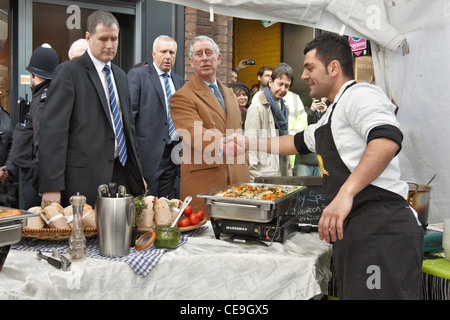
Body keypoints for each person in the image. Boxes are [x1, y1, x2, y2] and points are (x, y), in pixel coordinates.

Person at [232, 33, 423, 300]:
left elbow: (386, 139)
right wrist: (247, 142)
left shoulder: (361, 94)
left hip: (382, 230)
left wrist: (345, 194)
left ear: (333, 68)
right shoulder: (332, 113)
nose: (304, 75)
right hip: (357, 231)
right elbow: (296, 142)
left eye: (310, 67)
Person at [38, 11, 145, 207]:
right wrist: (51, 186)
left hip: (121, 174)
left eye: (114, 39)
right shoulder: (69, 72)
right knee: (84, 237)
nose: (110, 45)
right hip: (83, 180)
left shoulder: (120, 75)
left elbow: (127, 128)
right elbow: (53, 133)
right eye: (103, 39)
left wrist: (137, 174)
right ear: (88, 38)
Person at [169, 35, 249, 217]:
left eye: (209, 53)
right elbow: (192, 131)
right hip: (205, 182)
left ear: (218, 59)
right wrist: (221, 144)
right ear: (191, 62)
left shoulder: (230, 93)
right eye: (198, 54)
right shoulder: (182, 96)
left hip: (237, 180)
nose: (204, 58)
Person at [127, 35, 184, 199]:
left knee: (167, 206)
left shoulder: (179, 81)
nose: (168, 56)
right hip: (148, 158)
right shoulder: (138, 75)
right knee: (146, 208)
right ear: (153, 54)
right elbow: (129, 119)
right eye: (163, 52)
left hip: (173, 155)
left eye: (172, 53)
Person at [10, 43, 58, 209]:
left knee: (33, 227)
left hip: (35, 176)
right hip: (35, 173)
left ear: (32, 74)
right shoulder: (48, 96)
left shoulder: (42, 101)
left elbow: (43, 141)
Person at [244, 63, 294, 181]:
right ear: (270, 82)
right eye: (280, 84)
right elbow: (250, 144)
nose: (283, 89)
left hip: (282, 171)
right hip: (264, 174)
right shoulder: (257, 107)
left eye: (286, 86)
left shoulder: (283, 108)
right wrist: (255, 178)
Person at [293, 97, 327, 176]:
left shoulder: (329, 112)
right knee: (302, 187)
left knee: (321, 188)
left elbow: (327, 132)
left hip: (322, 162)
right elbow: (301, 128)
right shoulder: (303, 110)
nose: (320, 99)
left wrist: (324, 113)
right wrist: (311, 111)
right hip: (304, 161)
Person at [0, 101, 18, 206]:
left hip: (4, 186)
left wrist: (8, 168)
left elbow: (12, 146)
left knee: (6, 219)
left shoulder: (4, 116)